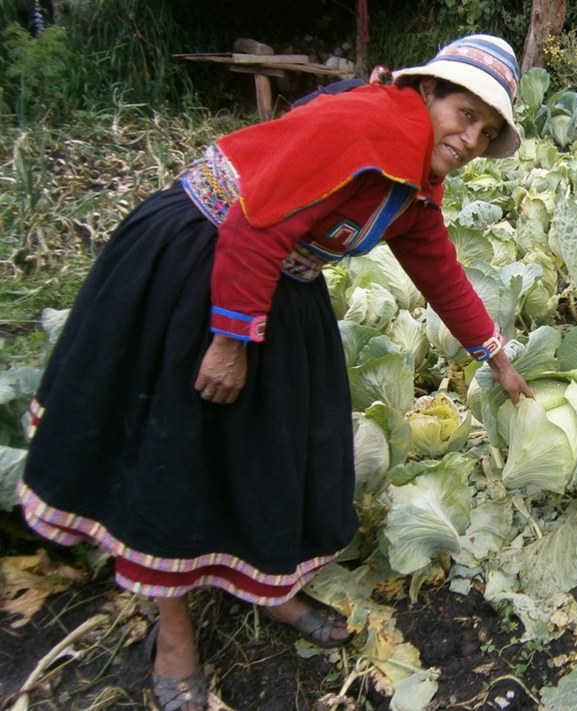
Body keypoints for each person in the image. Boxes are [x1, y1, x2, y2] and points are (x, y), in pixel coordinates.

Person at [16, 34, 533, 711]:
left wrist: (494, 356)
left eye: (487, 130)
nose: (471, 138)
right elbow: (254, 226)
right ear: (428, 91)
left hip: (280, 275)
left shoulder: (414, 176)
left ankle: (266, 584)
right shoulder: (369, 126)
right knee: (179, 446)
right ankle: (172, 634)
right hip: (199, 262)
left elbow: (437, 267)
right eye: (466, 114)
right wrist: (230, 340)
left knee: (283, 441)